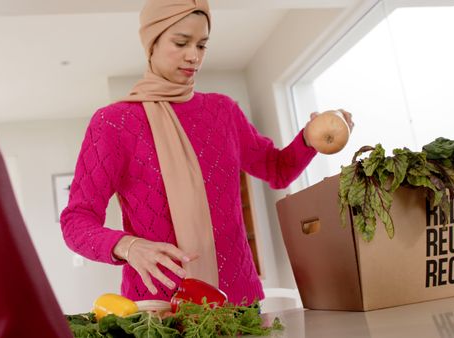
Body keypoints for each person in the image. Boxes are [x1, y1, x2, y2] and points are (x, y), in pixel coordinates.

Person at [60, 0, 354, 305]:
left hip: (239, 303)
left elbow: (277, 170)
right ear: (152, 42)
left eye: (202, 45)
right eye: (181, 42)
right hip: (160, 310)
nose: (193, 56)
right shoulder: (114, 123)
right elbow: (76, 221)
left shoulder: (223, 111)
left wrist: (308, 138)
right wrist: (128, 246)